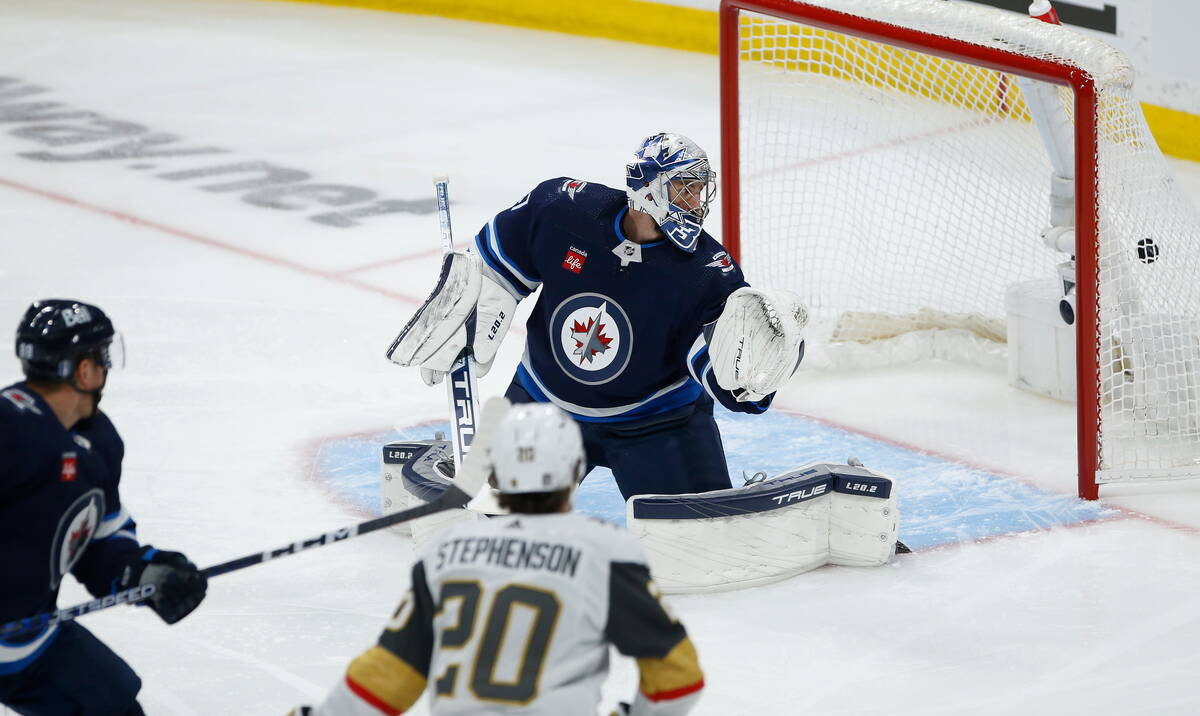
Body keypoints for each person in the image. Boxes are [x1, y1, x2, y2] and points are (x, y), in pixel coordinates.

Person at [390, 132, 808, 500]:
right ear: (647, 190)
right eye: (684, 188)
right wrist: (473, 300)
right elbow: (494, 265)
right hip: (545, 405)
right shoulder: (563, 211)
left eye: (699, 191)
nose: (696, 203)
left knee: (701, 531)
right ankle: (472, 455)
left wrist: (757, 373)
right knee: (495, 514)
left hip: (657, 425)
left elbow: (728, 380)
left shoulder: (708, 272)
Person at [294, 403, 704, 716]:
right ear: (576, 469)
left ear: (496, 477)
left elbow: (389, 674)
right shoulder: (606, 552)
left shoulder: (446, 554)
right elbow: (678, 678)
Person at [0, 299, 208, 715]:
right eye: (103, 356)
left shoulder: (98, 441)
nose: (107, 368)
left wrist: (141, 572)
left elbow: (96, 540)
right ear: (84, 369)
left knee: (115, 707)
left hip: (26, 641)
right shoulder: (10, 426)